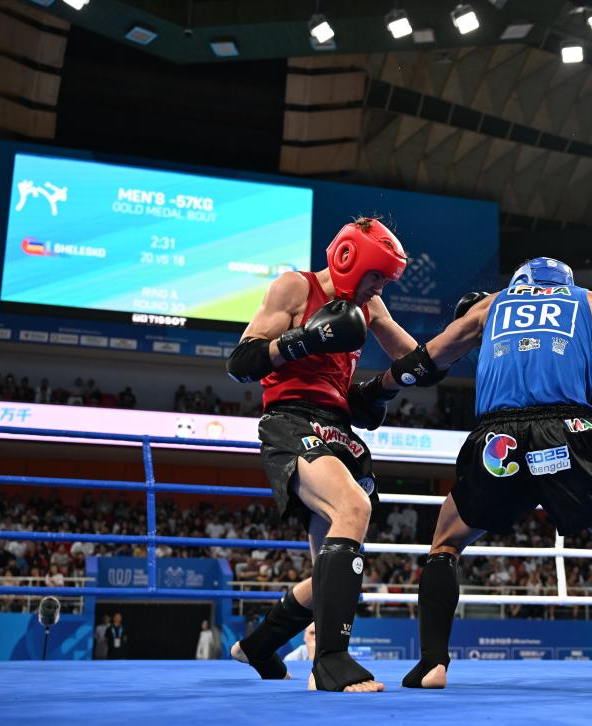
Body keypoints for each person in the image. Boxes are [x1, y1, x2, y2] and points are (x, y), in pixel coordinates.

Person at [378, 257, 592, 694]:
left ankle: (431, 664)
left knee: (445, 545)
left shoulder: (490, 305)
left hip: (495, 442)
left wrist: (378, 388)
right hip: (565, 433)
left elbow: (427, 360)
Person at [225, 217, 420, 693]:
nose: (379, 287)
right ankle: (331, 662)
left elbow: (416, 359)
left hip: (338, 429)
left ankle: (258, 646)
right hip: (291, 420)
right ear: (349, 259)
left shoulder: (369, 306)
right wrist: (305, 338)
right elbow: (240, 363)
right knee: (353, 506)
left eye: (385, 280)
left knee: (328, 578)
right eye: (376, 276)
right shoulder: (295, 287)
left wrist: (458, 341)